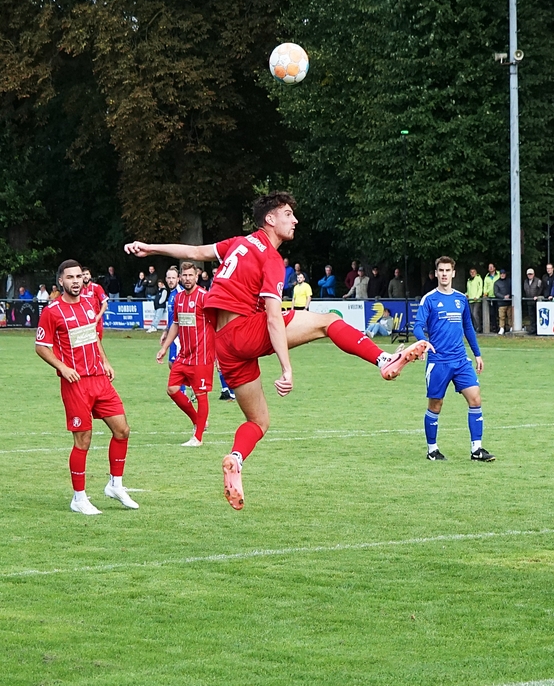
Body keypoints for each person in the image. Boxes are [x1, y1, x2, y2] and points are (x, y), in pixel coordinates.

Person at [124, 191, 430, 510]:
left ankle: (236, 459)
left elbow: (195, 251)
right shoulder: (270, 258)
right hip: (244, 331)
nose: (294, 220)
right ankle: (383, 359)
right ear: (270, 219)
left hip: (224, 345)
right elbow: (272, 317)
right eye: (287, 214)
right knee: (328, 321)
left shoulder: (238, 243)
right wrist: (287, 368)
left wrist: (151, 248)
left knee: (258, 421)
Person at [34, 259, 138, 514]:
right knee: (83, 440)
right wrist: (62, 367)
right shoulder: (52, 311)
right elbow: (41, 347)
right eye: (70, 277)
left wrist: (105, 361)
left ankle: (115, 485)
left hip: (99, 379)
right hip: (76, 383)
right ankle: (79, 498)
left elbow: (92, 336)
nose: (75, 281)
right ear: (61, 281)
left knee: (122, 430)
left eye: (78, 276)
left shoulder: (90, 304)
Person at [413, 256, 494, 462]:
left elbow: (468, 327)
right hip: (438, 361)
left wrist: (477, 354)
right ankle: (432, 450)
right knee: (436, 404)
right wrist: (424, 342)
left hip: (460, 360)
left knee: (475, 398)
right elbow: (417, 326)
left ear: (453, 273)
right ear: (436, 273)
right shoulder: (429, 299)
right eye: (441, 270)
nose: (444, 274)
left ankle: (477, 449)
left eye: (447, 270)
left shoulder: (461, 299)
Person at [155, 262, 214, 446]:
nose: (187, 279)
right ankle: (198, 421)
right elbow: (176, 324)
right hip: (184, 355)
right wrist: (164, 347)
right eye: (185, 275)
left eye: (191, 275)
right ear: (181, 277)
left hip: (202, 356)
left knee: (201, 394)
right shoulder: (178, 298)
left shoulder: (205, 297)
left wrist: (219, 354)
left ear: (197, 277)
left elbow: (217, 324)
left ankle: (198, 438)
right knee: (172, 389)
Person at [81, 267, 109, 338]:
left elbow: (105, 303)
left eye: (87, 274)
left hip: (95, 320)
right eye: (83, 274)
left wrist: (98, 317)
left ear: (90, 276)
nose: (85, 276)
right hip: (82, 321)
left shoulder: (97, 287)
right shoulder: (78, 289)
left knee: (97, 342)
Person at [523, 267, 544, 334]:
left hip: (536, 301)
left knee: (537, 316)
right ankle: (533, 330)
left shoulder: (538, 281)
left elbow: (541, 289)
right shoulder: (525, 281)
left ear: (534, 274)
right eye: (528, 274)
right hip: (529, 301)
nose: (530, 275)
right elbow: (525, 290)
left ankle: (538, 330)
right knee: (531, 316)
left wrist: (537, 296)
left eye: (531, 274)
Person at [465, 267, 484, 333]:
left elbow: (480, 288)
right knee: (472, 315)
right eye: (471, 272)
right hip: (470, 300)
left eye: (473, 272)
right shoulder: (469, 280)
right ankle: (475, 327)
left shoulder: (478, 279)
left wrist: (477, 296)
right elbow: (468, 290)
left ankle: (479, 327)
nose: (472, 273)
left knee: (475, 313)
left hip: (476, 300)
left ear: (476, 272)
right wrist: (466, 294)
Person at [494, 268, 512, 335]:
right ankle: (501, 328)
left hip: (509, 302)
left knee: (510, 316)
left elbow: (512, 289)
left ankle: (511, 327)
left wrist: (509, 295)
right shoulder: (496, 283)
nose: (502, 275)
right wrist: (503, 297)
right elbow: (496, 292)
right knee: (501, 317)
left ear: (505, 274)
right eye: (501, 274)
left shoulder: (509, 281)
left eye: (503, 273)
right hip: (501, 303)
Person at [483, 263, 500, 333]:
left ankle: (501, 327)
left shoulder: (498, 274)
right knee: (492, 313)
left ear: (494, 268)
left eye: (491, 267)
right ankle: (494, 327)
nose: (490, 268)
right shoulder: (486, 277)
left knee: (499, 313)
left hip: (498, 296)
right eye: (489, 267)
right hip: (490, 297)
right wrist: (485, 293)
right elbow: (485, 286)